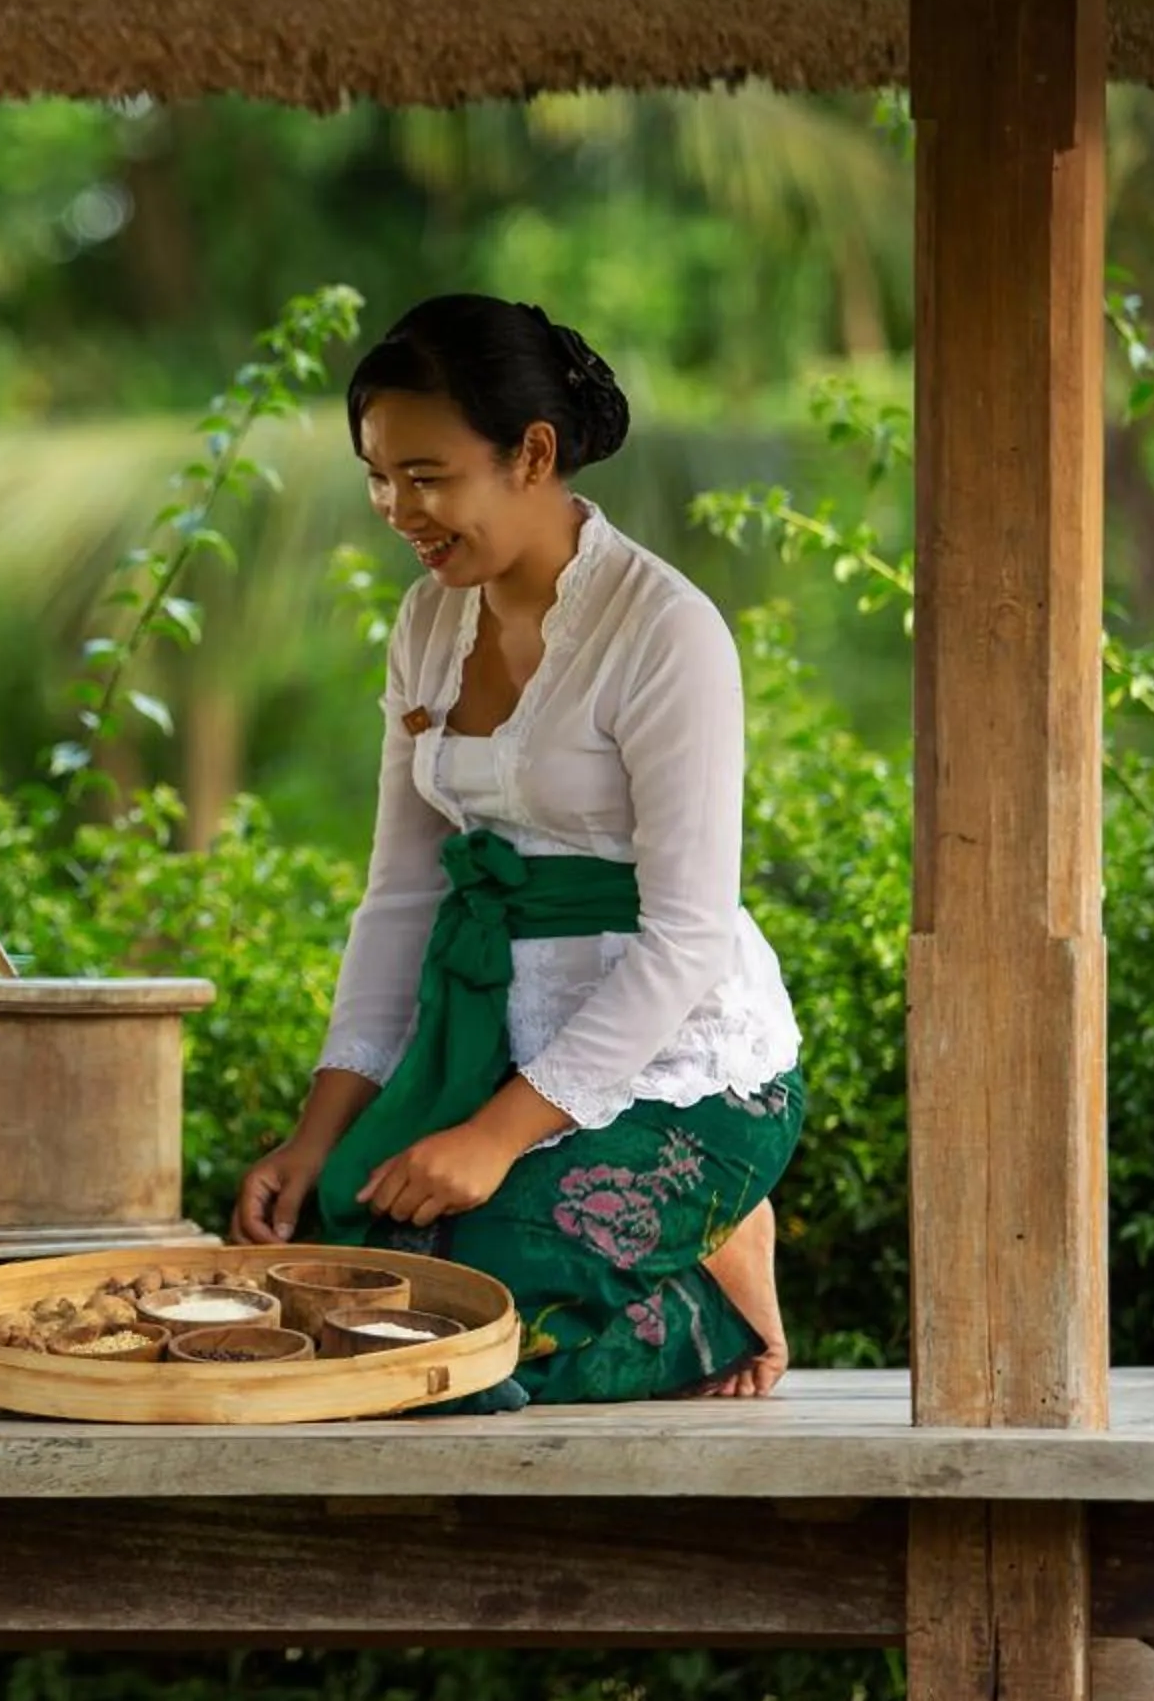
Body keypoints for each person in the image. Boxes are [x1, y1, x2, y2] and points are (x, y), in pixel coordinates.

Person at [231, 294, 805, 1404]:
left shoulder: (665, 629)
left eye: (426, 475)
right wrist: (315, 1138)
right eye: (378, 476)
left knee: (458, 1316)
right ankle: (666, 1265)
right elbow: (402, 897)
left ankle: (721, 1298)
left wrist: (495, 1137)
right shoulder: (426, 623)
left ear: (532, 455)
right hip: (489, 1043)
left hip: (680, 1066)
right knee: (333, 1253)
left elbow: (688, 938)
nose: (397, 508)